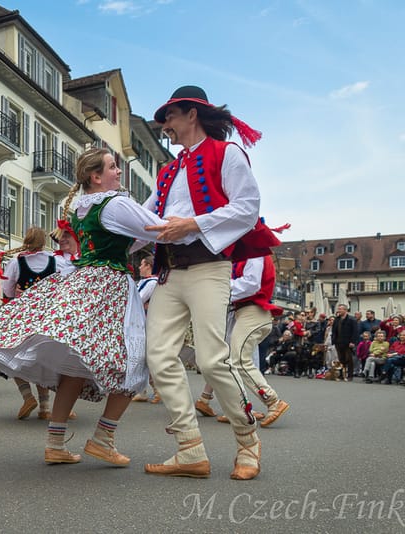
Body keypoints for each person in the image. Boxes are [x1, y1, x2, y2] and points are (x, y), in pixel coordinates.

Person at [0, 147, 165, 466]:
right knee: (134, 361)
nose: (118, 172)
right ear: (96, 176)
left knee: (74, 367)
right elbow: (152, 227)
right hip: (110, 285)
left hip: (85, 282)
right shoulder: (114, 202)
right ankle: (103, 438)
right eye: (113, 167)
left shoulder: (82, 207)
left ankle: (55, 443)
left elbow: (132, 237)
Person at [142, 85, 279, 480]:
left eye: (169, 116)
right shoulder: (168, 171)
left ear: (191, 115)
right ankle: (189, 448)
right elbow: (146, 220)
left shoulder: (227, 153)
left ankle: (247, 441)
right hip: (169, 272)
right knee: (159, 356)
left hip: (209, 267)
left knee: (211, 360)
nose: (164, 125)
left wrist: (194, 223)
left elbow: (247, 206)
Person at [195, 255, 289, 427]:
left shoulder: (255, 252)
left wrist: (218, 288)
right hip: (247, 313)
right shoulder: (248, 254)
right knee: (233, 361)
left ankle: (272, 401)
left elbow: (251, 284)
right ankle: (239, 408)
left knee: (238, 361)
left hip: (253, 313)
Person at [0, 227, 70, 420]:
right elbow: (67, 284)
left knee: (13, 356)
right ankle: (45, 407)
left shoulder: (16, 262)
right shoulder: (57, 261)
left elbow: (8, 290)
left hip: (23, 316)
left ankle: (27, 396)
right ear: (44, 240)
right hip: (47, 316)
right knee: (43, 358)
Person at [132, 254, 161, 403]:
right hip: (142, 321)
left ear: (148, 266)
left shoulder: (151, 282)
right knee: (142, 357)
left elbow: (138, 299)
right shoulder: (145, 282)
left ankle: (156, 390)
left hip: (147, 322)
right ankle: (144, 390)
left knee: (145, 357)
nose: (139, 267)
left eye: (142, 264)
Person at [331, 304, 359, 381]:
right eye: (338, 309)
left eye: (340, 309)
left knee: (349, 359)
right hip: (338, 342)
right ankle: (342, 374)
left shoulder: (352, 319)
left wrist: (353, 342)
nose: (339, 310)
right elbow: (334, 331)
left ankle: (350, 375)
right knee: (341, 359)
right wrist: (333, 340)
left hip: (348, 342)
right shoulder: (337, 319)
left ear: (345, 310)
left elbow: (355, 332)